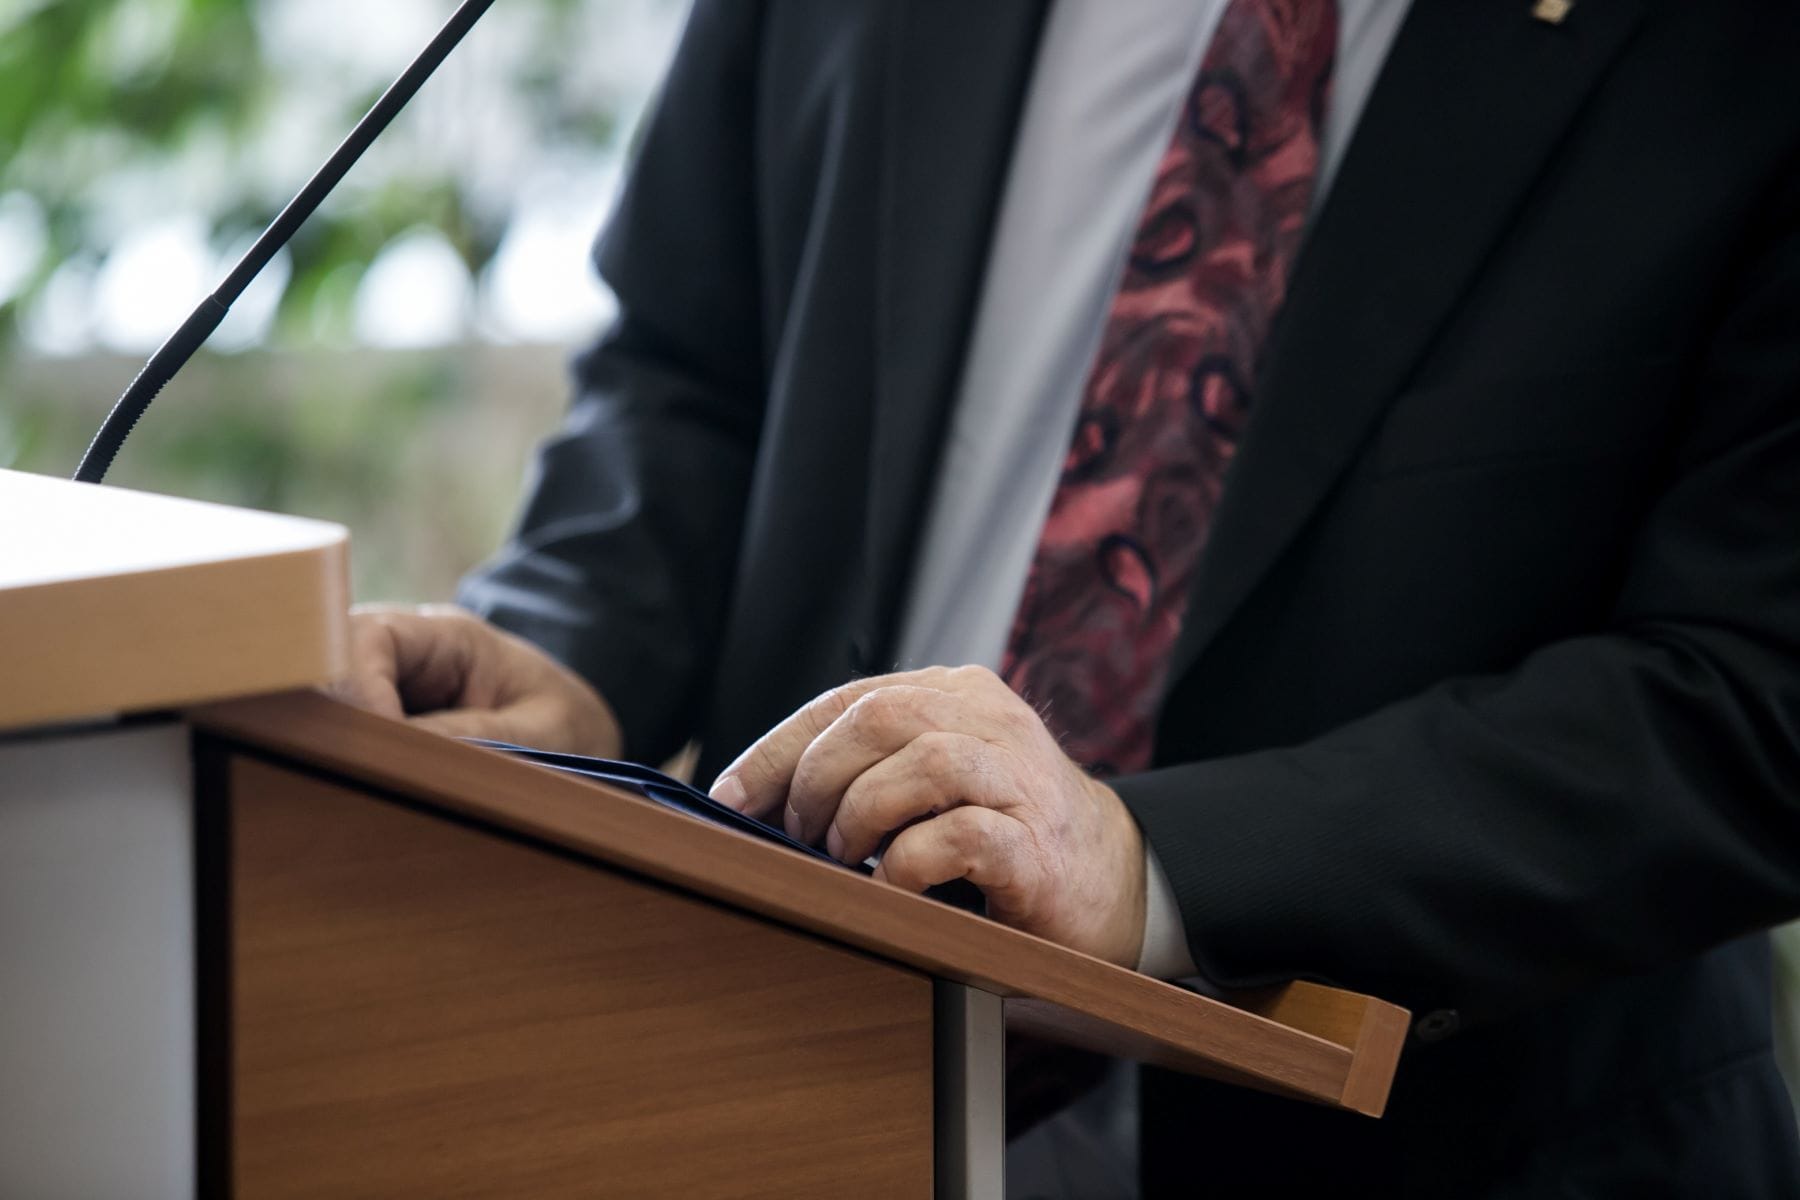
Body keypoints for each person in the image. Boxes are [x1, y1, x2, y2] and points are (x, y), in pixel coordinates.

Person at [340, 1, 1800, 1194]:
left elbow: (1758, 690)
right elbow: (692, 362)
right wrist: (572, 653)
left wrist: (1151, 865)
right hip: (776, 1086)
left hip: (1459, 1149)